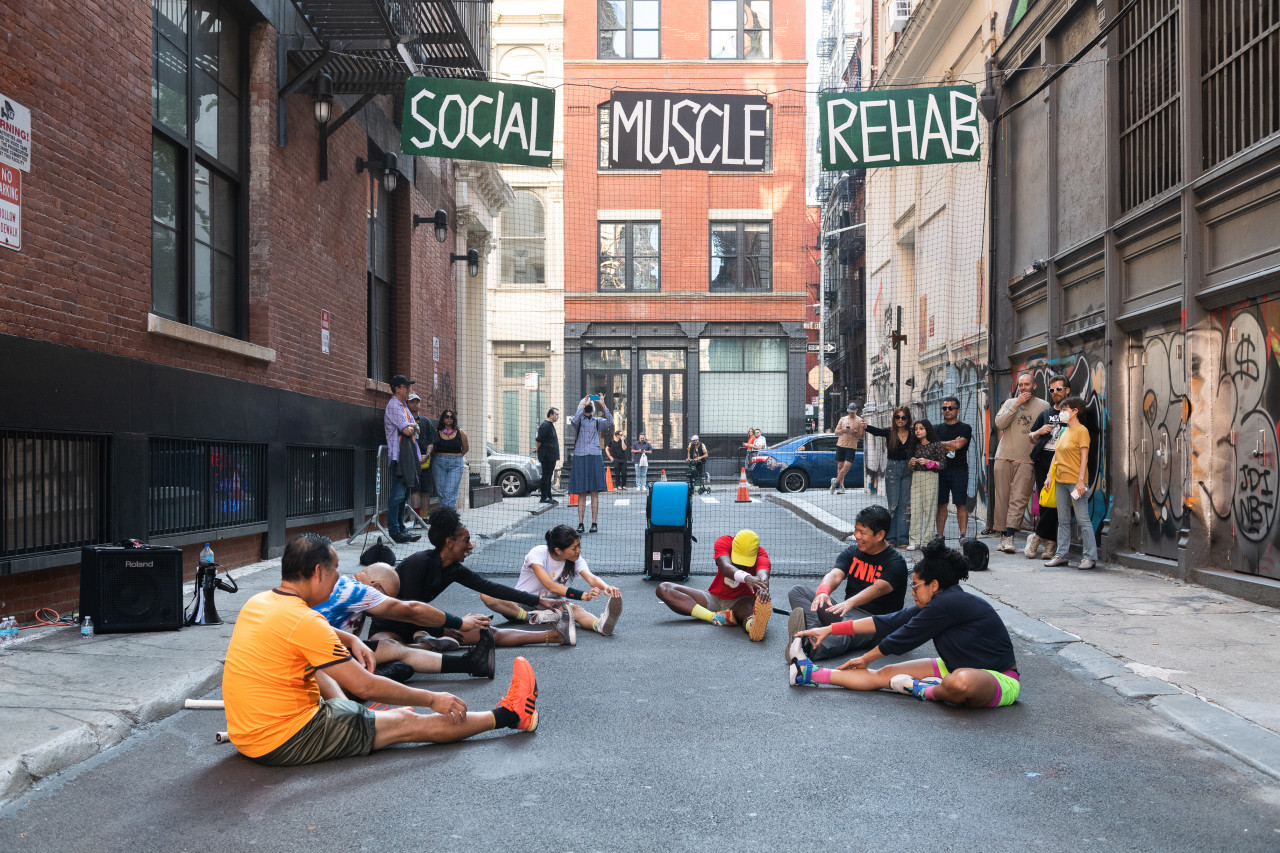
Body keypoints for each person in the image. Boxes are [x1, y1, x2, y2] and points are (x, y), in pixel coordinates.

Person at [221, 533, 540, 767]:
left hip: (250, 733)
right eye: (333, 570)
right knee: (406, 721)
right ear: (317, 571)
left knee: (318, 667)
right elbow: (365, 684)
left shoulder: (260, 602)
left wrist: (353, 639)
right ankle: (511, 716)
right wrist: (433, 698)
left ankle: (356, 716)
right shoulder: (305, 621)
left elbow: (305, 632)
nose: (336, 578)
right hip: (284, 738)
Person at [788, 538, 1020, 709]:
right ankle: (810, 673)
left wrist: (865, 658)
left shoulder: (949, 603)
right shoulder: (937, 604)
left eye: (916, 585)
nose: (913, 591)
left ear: (935, 585)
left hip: (998, 677)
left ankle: (923, 689)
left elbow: (902, 638)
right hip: (951, 664)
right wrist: (829, 629)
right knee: (885, 673)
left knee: (961, 682)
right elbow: (886, 622)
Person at [367, 507, 578, 649]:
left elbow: (490, 587)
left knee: (486, 632)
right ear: (450, 542)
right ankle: (425, 644)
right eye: (466, 540)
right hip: (390, 628)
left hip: (424, 626)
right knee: (390, 651)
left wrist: (538, 600)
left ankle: (554, 636)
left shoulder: (454, 569)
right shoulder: (418, 563)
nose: (470, 546)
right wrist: (449, 626)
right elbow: (411, 611)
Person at [313, 563, 496, 679]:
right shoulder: (357, 590)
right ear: (376, 586)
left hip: (323, 652)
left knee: (395, 653)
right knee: (395, 651)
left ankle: (472, 664)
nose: (384, 603)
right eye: (386, 596)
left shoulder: (347, 587)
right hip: (316, 660)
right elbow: (412, 610)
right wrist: (459, 623)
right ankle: (471, 664)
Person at [785, 505, 908, 662]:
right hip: (846, 611)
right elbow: (835, 575)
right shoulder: (852, 552)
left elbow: (877, 588)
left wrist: (850, 602)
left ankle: (808, 649)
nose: (856, 535)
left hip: (875, 622)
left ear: (880, 535)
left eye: (862, 532)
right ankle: (814, 630)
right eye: (855, 530)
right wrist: (823, 591)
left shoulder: (896, 563)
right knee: (798, 591)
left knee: (845, 632)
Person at [481, 525, 624, 638]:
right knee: (486, 595)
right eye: (574, 548)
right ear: (558, 550)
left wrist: (606, 586)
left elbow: (591, 578)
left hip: (551, 605)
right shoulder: (537, 553)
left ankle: (599, 625)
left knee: (575, 610)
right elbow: (550, 585)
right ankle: (529, 617)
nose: (579, 550)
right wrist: (583, 595)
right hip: (520, 604)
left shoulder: (574, 559)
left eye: (579, 546)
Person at [655, 529, 772, 641]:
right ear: (733, 546)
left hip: (741, 601)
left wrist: (763, 589)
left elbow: (763, 575)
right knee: (664, 588)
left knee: (748, 610)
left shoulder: (761, 554)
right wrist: (746, 577)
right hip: (714, 598)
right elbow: (725, 567)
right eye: (738, 560)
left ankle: (753, 625)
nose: (741, 565)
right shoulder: (724, 542)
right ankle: (715, 617)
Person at [992, 372, 1050, 554]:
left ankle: (1009, 536)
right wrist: (1016, 404)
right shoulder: (1010, 403)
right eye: (1021, 384)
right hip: (1004, 456)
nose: (1023, 388)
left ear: (1034, 386)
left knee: (1019, 499)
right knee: (1002, 498)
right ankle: (1002, 535)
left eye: (1027, 384)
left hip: (1027, 459)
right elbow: (999, 423)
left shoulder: (1043, 406)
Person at [1044, 396, 1098, 570]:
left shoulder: (1082, 431)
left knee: (1083, 520)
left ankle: (1089, 557)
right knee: (1063, 521)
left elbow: (1084, 458)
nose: (1062, 413)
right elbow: (1055, 455)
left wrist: (1081, 481)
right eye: (1061, 410)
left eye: (1065, 409)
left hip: (1076, 482)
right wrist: (1049, 475)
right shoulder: (1063, 431)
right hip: (1060, 480)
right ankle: (1061, 555)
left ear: (1075, 411)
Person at [1026, 376, 1069, 559]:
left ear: (1067, 390)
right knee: (1045, 501)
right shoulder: (1045, 414)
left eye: (1059, 389)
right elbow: (1030, 436)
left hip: (1063, 461)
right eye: (1052, 390)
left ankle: (1038, 537)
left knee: (1058, 502)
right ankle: (1050, 544)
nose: (1055, 393)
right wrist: (1039, 431)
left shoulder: (1072, 413)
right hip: (1043, 459)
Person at [865, 406, 914, 546]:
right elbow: (876, 431)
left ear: (908, 419)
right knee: (893, 504)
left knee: (906, 504)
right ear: (894, 419)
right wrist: (864, 425)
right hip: (893, 469)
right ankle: (891, 538)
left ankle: (903, 538)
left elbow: (927, 434)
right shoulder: (889, 432)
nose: (900, 420)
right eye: (897, 417)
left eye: (903, 417)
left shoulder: (913, 433)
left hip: (909, 469)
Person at [383, 375, 422, 544]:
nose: (408, 390)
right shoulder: (393, 406)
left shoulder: (404, 407)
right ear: (397, 388)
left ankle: (402, 528)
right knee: (398, 494)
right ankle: (394, 530)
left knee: (405, 494)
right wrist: (411, 427)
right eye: (406, 387)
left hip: (409, 456)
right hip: (399, 456)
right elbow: (407, 431)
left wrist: (411, 427)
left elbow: (417, 428)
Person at [569, 395, 613, 532]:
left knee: (594, 492)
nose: (589, 406)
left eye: (590, 405)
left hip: (594, 456)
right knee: (581, 493)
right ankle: (581, 523)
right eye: (587, 404)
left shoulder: (598, 421)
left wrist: (603, 405)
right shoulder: (579, 421)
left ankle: (594, 523)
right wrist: (582, 406)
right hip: (580, 456)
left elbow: (610, 422)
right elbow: (573, 420)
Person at [934, 396, 974, 541]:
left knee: (961, 503)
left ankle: (962, 535)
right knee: (941, 504)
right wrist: (949, 444)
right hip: (941, 470)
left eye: (951, 408)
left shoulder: (965, 428)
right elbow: (932, 446)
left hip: (959, 470)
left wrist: (940, 444)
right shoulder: (936, 428)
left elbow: (958, 446)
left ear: (958, 410)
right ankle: (939, 535)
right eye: (944, 408)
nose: (947, 410)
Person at [907, 419, 948, 551]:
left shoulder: (936, 445)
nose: (918, 431)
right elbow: (910, 467)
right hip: (916, 477)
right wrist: (912, 463)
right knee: (915, 509)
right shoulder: (915, 445)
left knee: (929, 509)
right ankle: (914, 541)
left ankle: (927, 541)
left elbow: (942, 464)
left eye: (921, 428)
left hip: (931, 477)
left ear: (927, 430)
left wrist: (928, 462)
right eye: (916, 429)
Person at [407, 393, 438, 521]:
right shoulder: (405, 420)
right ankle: (416, 518)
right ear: (407, 404)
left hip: (425, 461)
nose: (415, 404)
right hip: (410, 461)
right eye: (412, 402)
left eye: (417, 402)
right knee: (415, 490)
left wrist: (428, 454)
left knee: (425, 490)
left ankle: (424, 518)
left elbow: (432, 441)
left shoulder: (426, 421)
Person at [432, 409, 468, 509]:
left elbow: (465, 448)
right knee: (442, 492)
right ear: (443, 418)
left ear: (454, 419)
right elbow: (433, 449)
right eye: (446, 416)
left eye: (451, 417)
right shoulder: (436, 432)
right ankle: (447, 517)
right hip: (439, 463)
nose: (449, 419)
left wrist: (456, 457)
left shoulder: (460, 433)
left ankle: (446, 519)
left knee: (450, 492)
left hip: (455, 464)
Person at [831, 402, 866, 493]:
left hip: (851, 446)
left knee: (847, 465)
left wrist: (854, 432)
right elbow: (836, 432)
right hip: (841, 444)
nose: (851, 413)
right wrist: (843, 430)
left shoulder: (860, 420)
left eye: (853, 411)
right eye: (850, 411)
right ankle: (841, 486)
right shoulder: (842, 419)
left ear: (856, 411)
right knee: (840, 466)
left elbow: (861, 436)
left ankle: (836, 482)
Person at [535, 408, 560, 504]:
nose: (557, 417)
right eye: (556, 414)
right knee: (546, 476)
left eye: (558, 415)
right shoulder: (545, 425)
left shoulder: (550, 425)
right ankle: (544, 497)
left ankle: (549, 496)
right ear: (551, 414)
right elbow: (539, 439)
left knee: (549, 476)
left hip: (551, 455)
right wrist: (537, 448)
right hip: (546, 456)